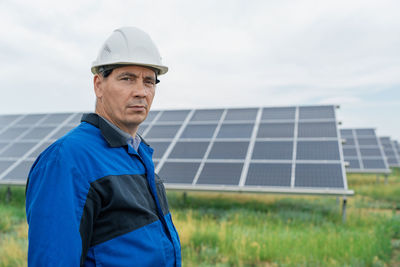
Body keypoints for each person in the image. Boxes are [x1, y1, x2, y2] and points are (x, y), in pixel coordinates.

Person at [25, 27, 181, 266]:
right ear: (98, 85)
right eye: (127, 78)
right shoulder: (67, 160)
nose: (141, 92)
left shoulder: (137, 155)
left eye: (149, 81)